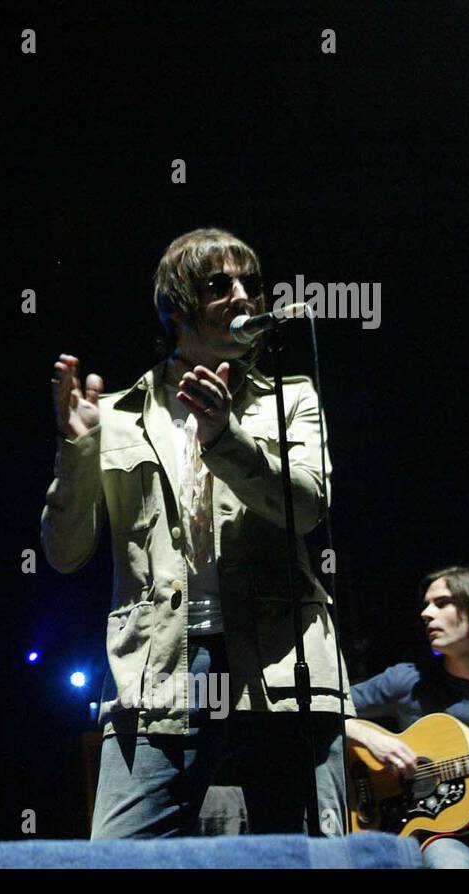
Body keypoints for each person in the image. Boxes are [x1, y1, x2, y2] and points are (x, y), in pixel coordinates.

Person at [42, 227, 354, 838]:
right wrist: (77, 449)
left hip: (282, 664)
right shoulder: (118, 414)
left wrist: (225, 438)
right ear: (178, 308)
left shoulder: (289, 398)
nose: (243, 297)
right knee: (119, 854)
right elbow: (63, 552)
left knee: (308, 858)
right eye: (220, 285)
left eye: (252, 284)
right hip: (159, 670)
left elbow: (310, 506)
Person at [347, 566, 469, 868]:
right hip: (443, 835)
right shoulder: (406, 681)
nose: (426, 614)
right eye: (426, 604)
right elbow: (320, 708)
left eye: (442, 603)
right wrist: (372, 739)